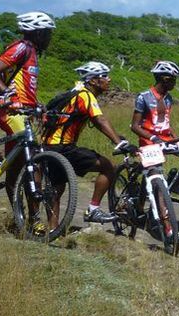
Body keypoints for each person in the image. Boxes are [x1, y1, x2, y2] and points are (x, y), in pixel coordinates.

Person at [42, 61, 132, 227]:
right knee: (108, 166)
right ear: (92, 81)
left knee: (57, 188)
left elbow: (97, 123)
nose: (109, 79)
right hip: (63, 147)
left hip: (49, 146)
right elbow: (100, 119)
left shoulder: (77, 92)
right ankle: (92, 210)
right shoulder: (86, 95)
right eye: (104, 76)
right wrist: (118, 143)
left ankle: (52, 229)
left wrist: (117, 137)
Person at [0, 11, 56, 202]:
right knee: (33, 157)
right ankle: (34, 219)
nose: (50, 37)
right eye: (48, 33)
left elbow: (23, 87)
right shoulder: (22, 47)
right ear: (38, 33)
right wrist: (8, 96)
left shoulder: (32, 53)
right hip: (11, 114)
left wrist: (38, 105)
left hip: (23, 115)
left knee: (15, 167)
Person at [129, 60, 179, 203]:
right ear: (165, 79)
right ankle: (142, 205)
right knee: (155, 177)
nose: (175, 83)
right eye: (173, 79)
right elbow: (135, 126)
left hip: (166, 140)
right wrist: (153, 138)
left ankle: (176, 183)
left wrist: (176, 137)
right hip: (149, 141)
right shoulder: (144, 97)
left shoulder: (168, 98)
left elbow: (164, 123)